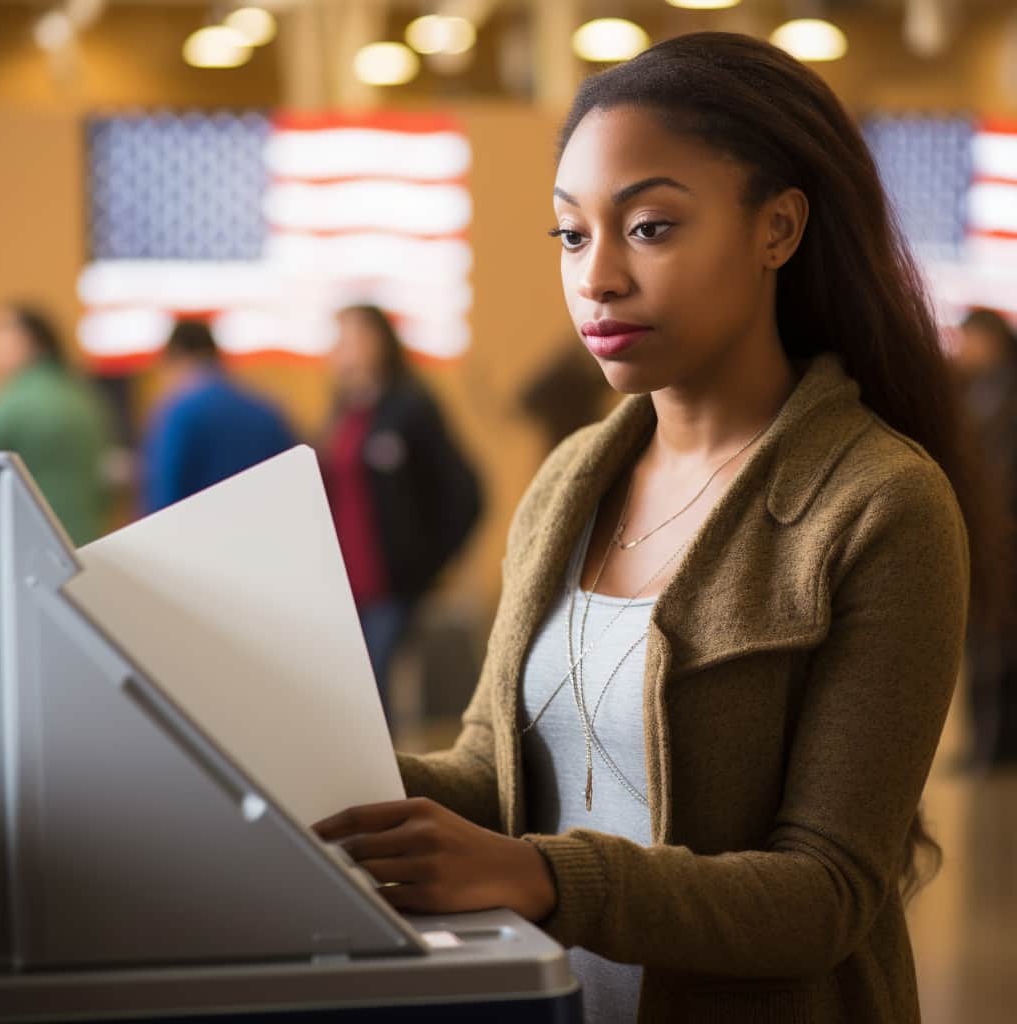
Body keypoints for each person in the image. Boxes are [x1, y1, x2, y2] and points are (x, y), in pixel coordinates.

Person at [313, 34, 991, 1023]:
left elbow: (826, 895)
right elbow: (488, 771)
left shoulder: (879, 501)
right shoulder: (566, 487)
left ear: (777, 229)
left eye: (652, 227)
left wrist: (545, 876)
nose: (597, 279)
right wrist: (299, 761)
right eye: (571, 235)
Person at [316, 304, 482, 709]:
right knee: (349, 696)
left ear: (380, 343)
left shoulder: (410, 408)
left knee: (377, 693)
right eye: (339, 341)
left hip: (393, 585)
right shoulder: (340, 416)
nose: (343, 351)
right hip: (345, 584)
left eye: (352, 339)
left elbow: (466, 493)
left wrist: (429, 564)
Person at [141, 320, 296, 514]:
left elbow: (163, 491)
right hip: (263, 528)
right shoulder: (266, 408)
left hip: (199, 535)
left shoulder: (179, 413)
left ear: (177, 358)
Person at [955, 307, 1017, 766]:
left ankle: (995, 746)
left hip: (1004, 537)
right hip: (985, 533)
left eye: (969, 339)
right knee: (982, 642)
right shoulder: (976, 390)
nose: (963, 349)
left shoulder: (1007, 396)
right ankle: (986, 743)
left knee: (998, 644)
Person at [0, 304, 111, 546]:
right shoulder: (81, 394)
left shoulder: (17, 401)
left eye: (2, 329)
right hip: (85, 536)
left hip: (31, 542)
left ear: (29, 339)